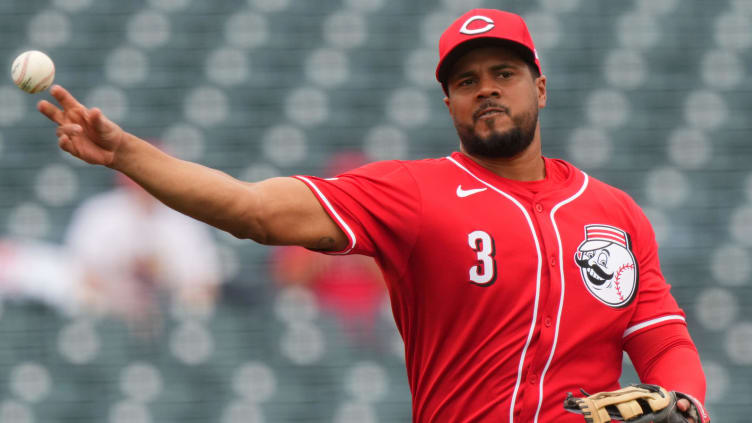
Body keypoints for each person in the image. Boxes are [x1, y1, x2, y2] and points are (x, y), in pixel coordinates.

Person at [37, 8, 709, 422]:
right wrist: (128, 154)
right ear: (447, 102)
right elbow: (254, 211)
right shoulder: (414, 193)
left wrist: (684, 402)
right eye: (466, 81)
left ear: (539, 86)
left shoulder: (613, 212)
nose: (487, 90)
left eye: (504, 73)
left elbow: (663, 342)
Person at [64, 171, 222, 337]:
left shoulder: (185, 216)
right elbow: (78, 270)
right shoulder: (101, 212)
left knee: (196, 305)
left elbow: (208, 281)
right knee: (84, 299)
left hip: (167, 304)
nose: (146, 193)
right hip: (112, 303)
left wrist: (163, 274)